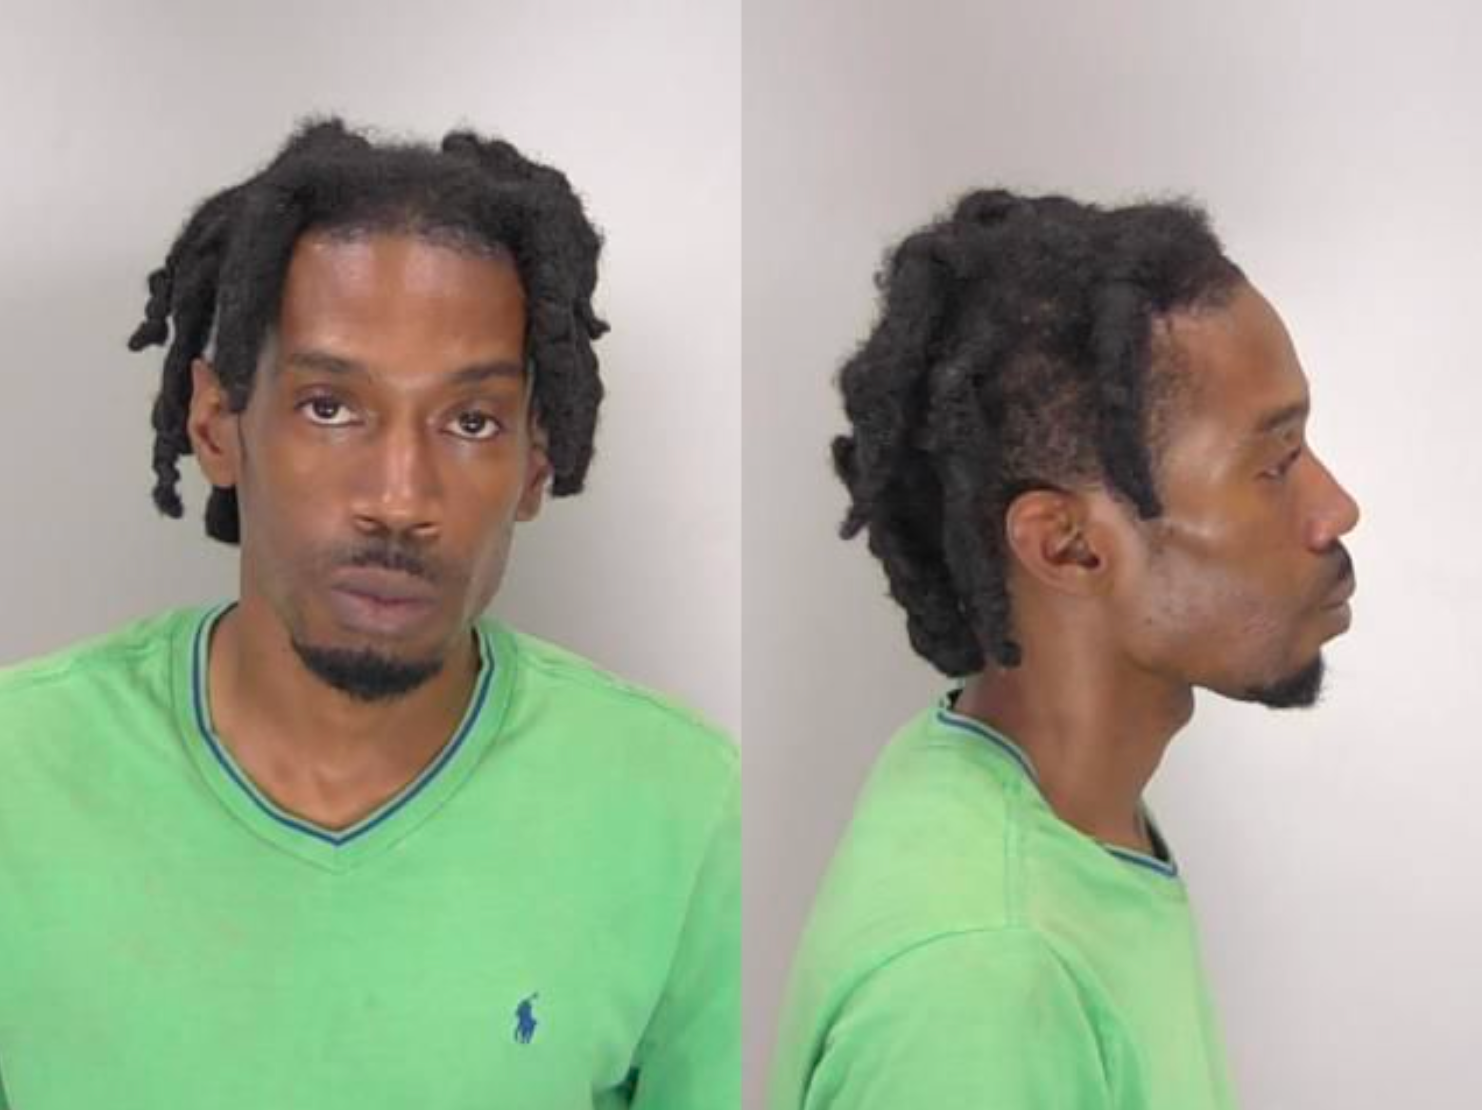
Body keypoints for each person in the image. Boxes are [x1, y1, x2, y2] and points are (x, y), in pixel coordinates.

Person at [0, 119, 738, 1109]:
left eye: (471, 421)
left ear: (535, 463)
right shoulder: (20, 776)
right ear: (217, 426)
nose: (399, 498)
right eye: (330, 406)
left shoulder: (684, 809)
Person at [769, 190, 1359, 1109]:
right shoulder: (990, 979)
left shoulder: (1033, 807)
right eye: (1275, 465)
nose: (1336, 509)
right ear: (1068, 547)